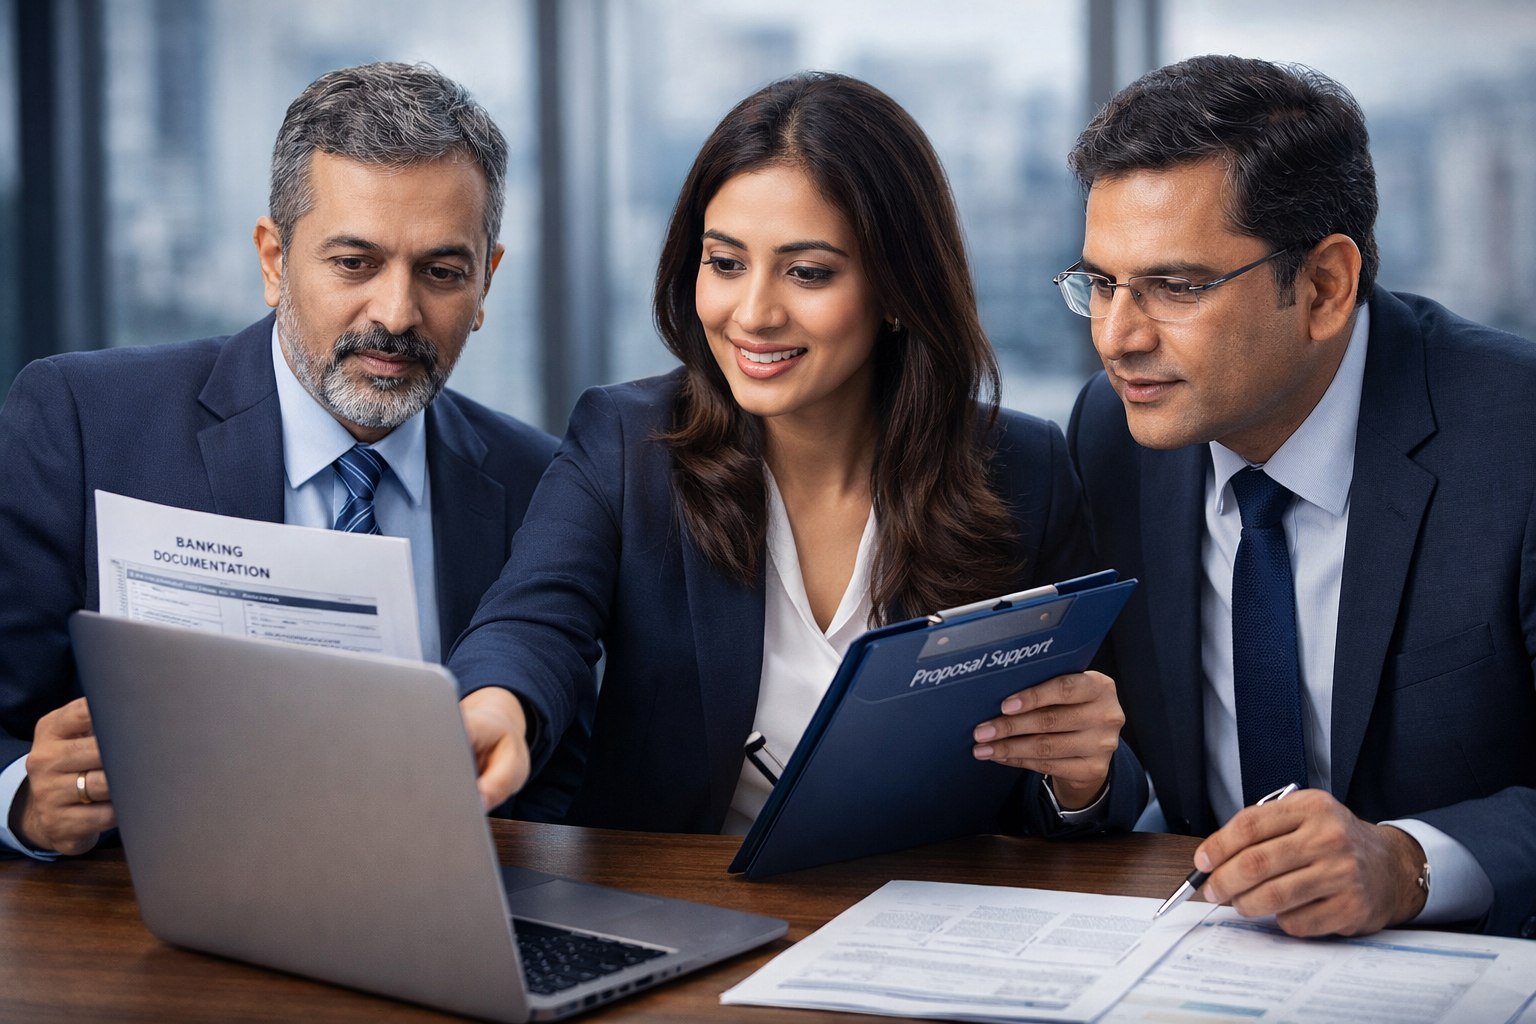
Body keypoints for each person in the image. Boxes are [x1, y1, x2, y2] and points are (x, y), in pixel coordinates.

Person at [448, 71, 1146, 837]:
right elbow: (534, 622)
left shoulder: (1025, 467)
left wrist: (1081, 778)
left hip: (923, 923)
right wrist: (495, 705)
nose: (753, 314)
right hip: (691, 914)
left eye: (808, 272)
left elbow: (1089, 759)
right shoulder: (626, 440)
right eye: (725, 263)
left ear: (895, 288)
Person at [0, 62, 557, 860]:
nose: (396, 314)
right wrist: (23, 796)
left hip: (435, 925)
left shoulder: (539, 482)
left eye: (441, 271)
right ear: (273, 258)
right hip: (146, 931)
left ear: (486, 280)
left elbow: (567, 768)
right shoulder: (85, 420)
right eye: (353, 263)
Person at [1061, 54, 1536, 938]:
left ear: (1324, 286)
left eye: (1174, 286)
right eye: (1100, 283)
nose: (1117, 337)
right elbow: (1125, 774)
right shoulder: (1115, 434)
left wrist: (1413, 862)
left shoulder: (1516, 439)